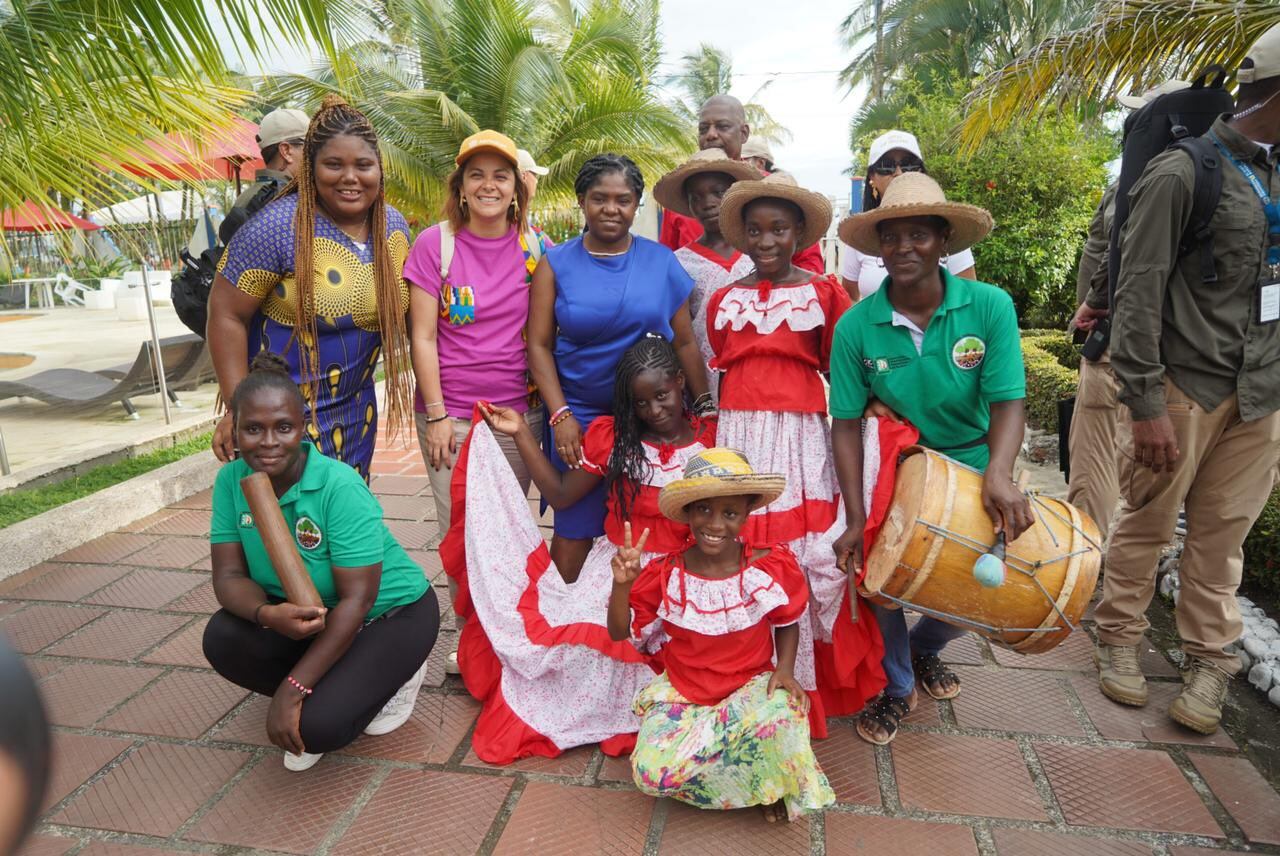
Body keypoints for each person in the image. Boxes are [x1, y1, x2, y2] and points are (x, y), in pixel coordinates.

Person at [1090, 28, 1280, 735]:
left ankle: (1208, 661)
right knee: (1144, 522)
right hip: (1184, 389)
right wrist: (1144, 403)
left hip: (1261, 394)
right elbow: (1136, 294)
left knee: (1221, 538)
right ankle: (1119, 638)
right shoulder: (1181, 173)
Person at [441, 336, 715, 763]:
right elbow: (562, 494)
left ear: (681, 382)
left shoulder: (711, 439)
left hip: (688, 569)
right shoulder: (616, 439)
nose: (654, 410)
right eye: (640, 403)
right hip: (620, 564)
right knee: (576, 639)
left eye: (662, 396)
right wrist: (520, 435)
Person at [830, 173, 1033, 745]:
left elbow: (1008, 402)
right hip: (897, 467)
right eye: (891, 237)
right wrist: (853, 516)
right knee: (879, 576)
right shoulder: (855, 325)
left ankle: (925, 647)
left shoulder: (988, 306)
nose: (903, 248)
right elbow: (844, 424)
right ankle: (896, 687)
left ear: (944, 240)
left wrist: (998, 473)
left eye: (918, 234)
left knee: (980, 584)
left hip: (971, 464)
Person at [708, 173, 886, 734]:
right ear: (742, 237)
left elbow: (841, 363)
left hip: (800, 435)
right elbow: (722, 354)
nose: (766, 241)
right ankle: (742, 666)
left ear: (797, 234)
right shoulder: (724, 299)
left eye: (778, 230)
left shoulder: (825, 293)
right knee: (742, 545)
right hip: (739, 433)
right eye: (755, 231)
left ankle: (801, 677)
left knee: (802, 550)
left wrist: (872, 410)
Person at [202, 353, 439, 771]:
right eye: (253, 429)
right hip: (314, 618)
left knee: (318, 729)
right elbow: (229, 576)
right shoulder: (230, 481)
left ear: (303, 424)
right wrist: (268, 615)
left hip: (390, 615)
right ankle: (334, 681)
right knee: (222, 637)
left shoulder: (338, 485)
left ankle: (396, 676)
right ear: (234, 429)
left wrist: (292, 690)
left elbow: (357, 601)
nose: (269, 442)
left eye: (283, 427)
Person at [608, 448, 836, 822]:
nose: (715, 524)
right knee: (649, 774)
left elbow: (787, 619)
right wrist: (622, 586)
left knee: (788, 713)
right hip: (685, 692)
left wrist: (785, 669)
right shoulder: (668, 573)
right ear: (688, 512)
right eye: (704, 510)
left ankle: (767, 784)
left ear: (746, 514)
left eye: (730, 513)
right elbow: (619, 631)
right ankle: (742, 768)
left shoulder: (767, 566)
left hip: (747, 691)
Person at [208, 96, 414, 482]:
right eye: (333, 164)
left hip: (357, 415)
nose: (350, 177)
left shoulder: (394, 227)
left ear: (379, 170)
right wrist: (238, 408)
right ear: (310, 168)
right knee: (289, 533)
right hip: (280, 424)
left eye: (363, 165)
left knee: (347, 520)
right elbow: (226, 313)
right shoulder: (275, 228)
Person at [527, 154, 709, 582]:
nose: (612, 209)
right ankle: (563, 626)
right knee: (575, 525)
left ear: (637, 204)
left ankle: (640, 631)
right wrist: (561, 416)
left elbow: (684, 341)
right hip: (583, 418)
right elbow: (537, 345)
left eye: (623, 200)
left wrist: (703, 409)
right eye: (599, 199)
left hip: (654, 417)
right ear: (581, 202)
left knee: (655, 527)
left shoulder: (661, 261)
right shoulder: (556, 263)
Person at [404, 130, 546, 673]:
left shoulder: (536, 249)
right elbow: (422, 337)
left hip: (517, 417)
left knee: (510, 529)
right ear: (460, 187)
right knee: (459, 534)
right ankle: (469, 639)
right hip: (452, 417)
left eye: (501, 175)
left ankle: (508, 633)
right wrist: (438, 415)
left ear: (517, 189)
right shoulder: (434, 245)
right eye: (477, 174)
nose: (489, 185)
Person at [1068, 82, 1190, 541]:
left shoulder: (1136, 185)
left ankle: (1084, 567)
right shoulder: (1223, 181)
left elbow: (1114, 260)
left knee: (1097, 468)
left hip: (1115, 350)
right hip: (1181, 362)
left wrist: (1092, 306)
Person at [659, 95, 825, 274]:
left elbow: (810, 265)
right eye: (703, 129)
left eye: (722, 126)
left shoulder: (774, 189)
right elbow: (667, 266)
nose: (711, 135)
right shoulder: (684, 197)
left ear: (744, 133)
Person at [653, 149, 758, 401]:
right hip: (707, 384)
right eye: (696, 197)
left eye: (718, 192)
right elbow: (681, 337)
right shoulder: (679, 262)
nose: (707, 203)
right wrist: (701, 399)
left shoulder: (759, 252)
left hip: (760, 380)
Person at [839, 130, 976, 303]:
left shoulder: (945, 225)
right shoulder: (861, 234)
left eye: (908, 164)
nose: (898, 172)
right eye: (886, 165)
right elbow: (849, 296)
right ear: (872, 177)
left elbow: (968, 295)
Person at [217, 108, 310, 244]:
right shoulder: (283, 199)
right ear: (286, 151)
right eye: (310, 147)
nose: (316, 155)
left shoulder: (254, 196)